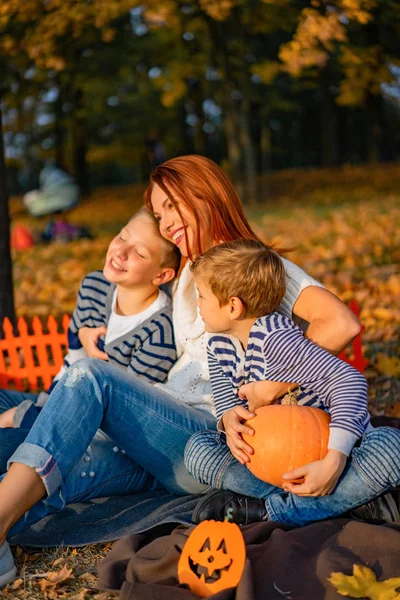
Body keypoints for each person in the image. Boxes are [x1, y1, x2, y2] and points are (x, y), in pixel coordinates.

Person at [0, 155, 378, 586]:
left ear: (204, 196)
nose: (165, 224)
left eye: (172, 206)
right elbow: (115, 275)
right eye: (158, 214)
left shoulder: (248, 265)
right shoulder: (186, 268)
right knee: (32, 428)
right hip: (152, 429)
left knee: (88, 376)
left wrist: (273, 386)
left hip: (199, 437)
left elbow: (341, 324)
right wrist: (90, 320)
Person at [183, 239, 400, 528]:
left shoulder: (275, 338)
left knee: (390, 448)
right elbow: (226, 399)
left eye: (201, 296)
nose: (197, 303)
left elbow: (349, 382)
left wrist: (333, 463)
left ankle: (273, 511)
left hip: (325, 455)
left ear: (233, 306)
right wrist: (228, 420)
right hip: (266, 461)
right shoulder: (217, 343)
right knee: (198, 450)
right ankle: (347, 502)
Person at [0, 207, 179, 467]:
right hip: (52, 398)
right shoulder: (95, 286)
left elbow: (124, 413)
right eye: (122, 237)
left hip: (91, 436)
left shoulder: (158, 333)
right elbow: (73, 353)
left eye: (139, 253)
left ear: (161, 275)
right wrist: (81, 334)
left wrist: (27, 417)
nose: (120, 252)